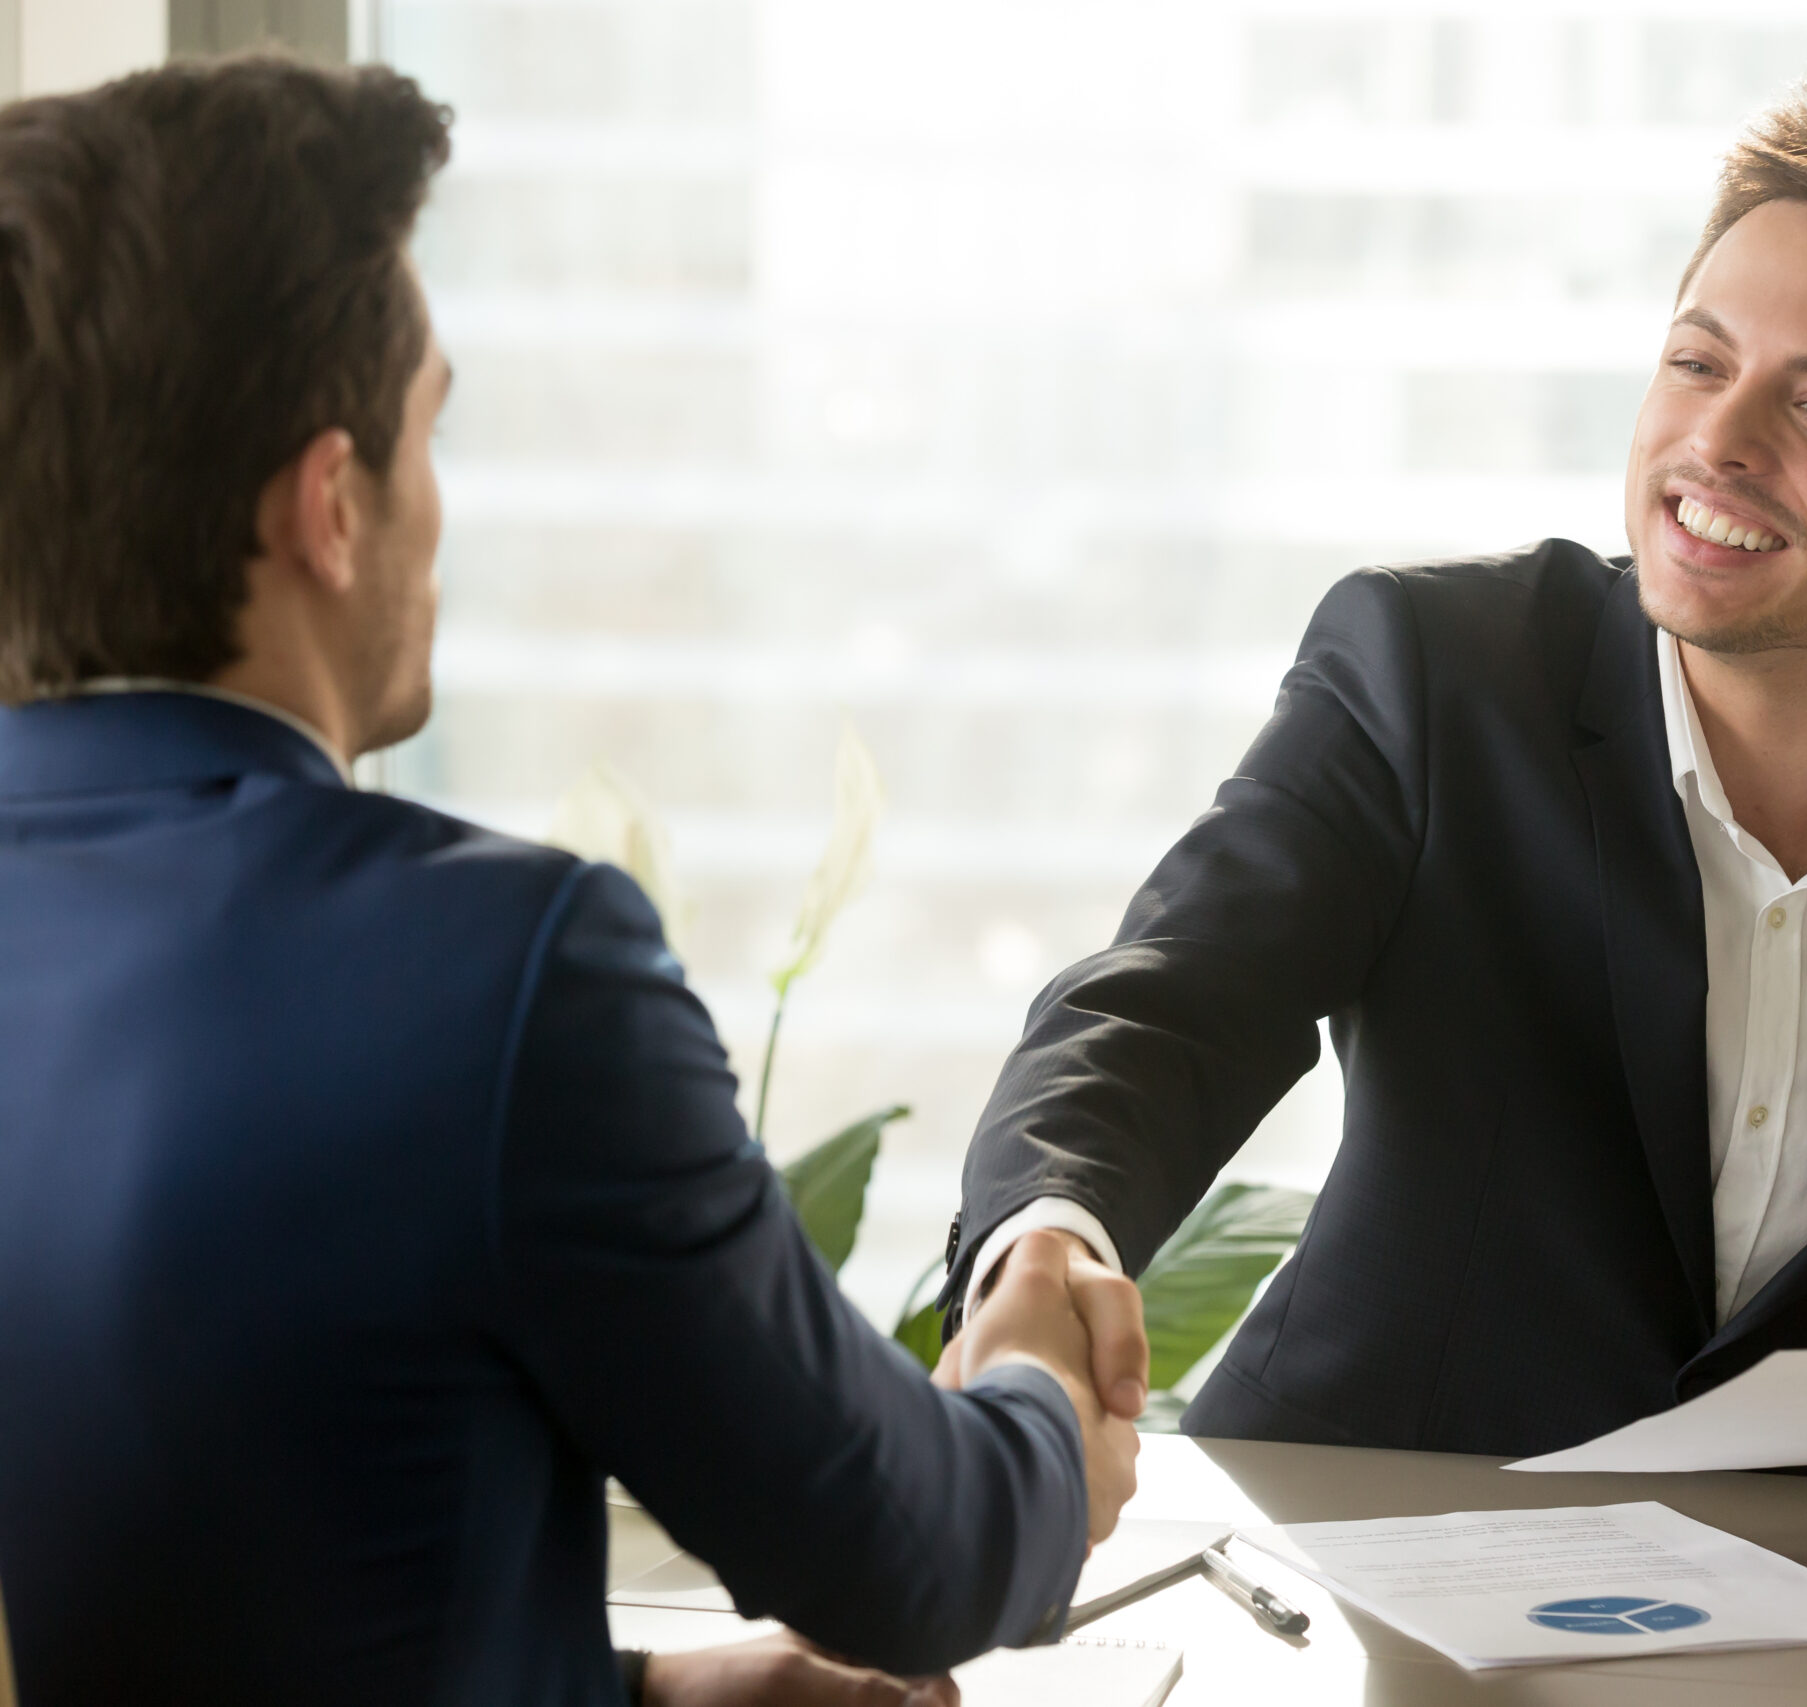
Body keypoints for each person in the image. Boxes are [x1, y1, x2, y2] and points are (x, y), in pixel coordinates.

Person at [945, 82, 1807, 1561]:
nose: (1718, 440)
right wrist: (1047, 1236)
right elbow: (1172, 1009)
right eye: (1697, 362)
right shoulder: (1432, 674)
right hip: (1358, 1576)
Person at [0, 54, 1143, 1707]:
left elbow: (223, 1604)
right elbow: (914, 1556)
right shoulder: (493, 975)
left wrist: (643, 1695)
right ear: (330, 505)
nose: (438, 513)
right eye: (425, 435)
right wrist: (1041, 1389)